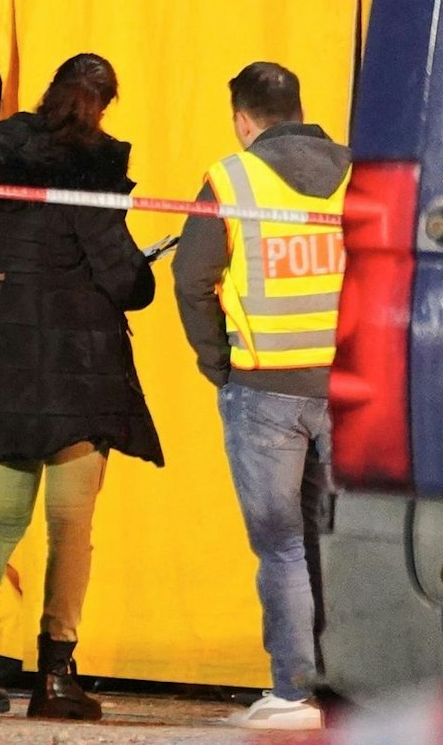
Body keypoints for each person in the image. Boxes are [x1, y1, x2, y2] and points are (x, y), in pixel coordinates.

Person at [0, 53, 163, 721]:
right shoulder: (89, 171)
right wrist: (143, 272)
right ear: (105, 103)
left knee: (1, 519)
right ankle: (56, 678)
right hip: (73, 371)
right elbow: (124, 281)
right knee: (70, 527)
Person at [174, 62, 348, 732]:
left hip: (264, 390)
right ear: (298, 107)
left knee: (281, 547)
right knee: (332, 540)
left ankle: (293, 691)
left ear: (245, 120)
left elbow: (192, 279)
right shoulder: (360, 172)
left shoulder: (231, 177)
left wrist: (217, 362)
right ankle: (344, 685)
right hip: (346, 389)